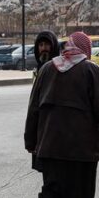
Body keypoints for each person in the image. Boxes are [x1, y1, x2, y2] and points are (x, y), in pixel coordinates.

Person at [24, 32, 99, 198]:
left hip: (49, 149)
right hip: (82, 152)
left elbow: (33, 110)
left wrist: (30, 141)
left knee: (53, 192)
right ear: (86, 49)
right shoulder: (92, 71)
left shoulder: (46, 69)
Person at [31, 31, 61, 172]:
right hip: (43, 132)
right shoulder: (39, 69)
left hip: (57, 132)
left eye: (47, 45)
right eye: (41, 45)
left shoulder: (60, 68)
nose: (43, 48)